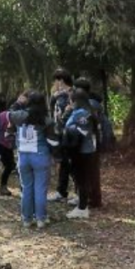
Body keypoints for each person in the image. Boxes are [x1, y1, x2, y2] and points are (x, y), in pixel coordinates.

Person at [10, 91, 53, 228]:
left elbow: (8, 114)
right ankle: (41, 218)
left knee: (26, 188)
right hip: (40, 155)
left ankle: (27, 219)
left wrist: (18, 103)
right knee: (40, 188)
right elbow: (53, 140)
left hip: (23, 156)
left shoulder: (19, 117)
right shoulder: (46, 119)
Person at [64, 88, 98, 219]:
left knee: (82, 179)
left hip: (81, 151)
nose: (70, 103)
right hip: (85, 150)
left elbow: (82, 131)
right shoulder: (86, 111)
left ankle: (82, 208)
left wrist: (68, 129)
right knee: (81, 178)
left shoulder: (82, 113)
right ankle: (81, 200)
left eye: (71, 100)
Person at [75, 78, 107, 209]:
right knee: (91, 171)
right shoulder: (92, 104)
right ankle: (90, 197)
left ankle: (93, 198)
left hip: (90, 143)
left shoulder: (90, 105)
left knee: (90, 172)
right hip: (93, 142)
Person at [48, 69, 75, 203]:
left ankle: (80, 193)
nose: (54, 83)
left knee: (72, 163)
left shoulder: (71, 94)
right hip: (59, 133)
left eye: (56, 80)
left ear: (61, 80)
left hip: (69, 134)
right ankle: (61, 191)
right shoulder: (58, 95)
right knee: (63, 163)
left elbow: (69, 113)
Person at [0, 106, 17, 196]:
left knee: (10, 165)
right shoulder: (3, 116)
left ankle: (3, 186)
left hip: (8, 145)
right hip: (0, 144)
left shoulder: (16, 119)